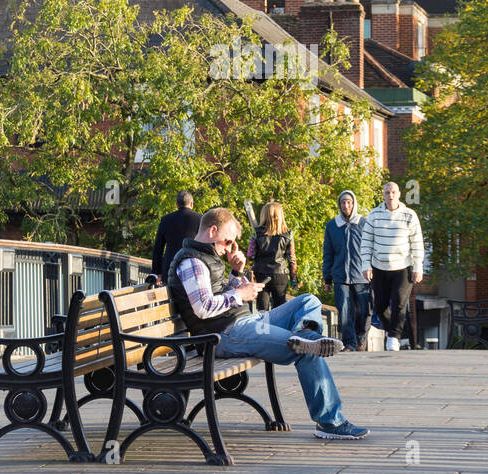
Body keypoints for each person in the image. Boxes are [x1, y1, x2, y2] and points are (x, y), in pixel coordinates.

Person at [167, 206, 368, 440]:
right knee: (305, 350)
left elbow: (217, 292)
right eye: (228, 242)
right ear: (212, 231)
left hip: (246, 322)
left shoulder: (207, 257)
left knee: (309, 301)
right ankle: (330, 422)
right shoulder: (193, 262)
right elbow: (203, 309)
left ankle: (307, 334)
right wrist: (240, 294)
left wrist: (236, 273)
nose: (230, 248)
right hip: (225, 334)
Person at [359, 182, 425, 352]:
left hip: (403, 266)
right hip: (379, 267)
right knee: (379, 307)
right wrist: (366, 265)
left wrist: (418, 267)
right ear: (383, 195)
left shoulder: (409, 215)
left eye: (393, 192)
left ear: (399, 194)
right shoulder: (374, 215)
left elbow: (417, 243)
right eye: (387, 192)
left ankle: (394, 338)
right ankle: (392, 331)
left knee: (399, 302)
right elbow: (366, 243)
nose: (390, 195)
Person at [321, 190, 371, 351]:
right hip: (340, 276)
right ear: (339, 205)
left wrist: (372, 270)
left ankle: (361, 337)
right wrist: (327, 278)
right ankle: (350, 343)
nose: (346, 205)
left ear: (354, 204)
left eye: (349, 202)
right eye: (343, 202)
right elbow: (328, 252)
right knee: (344, 311)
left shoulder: (363, 223)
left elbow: (371, 249)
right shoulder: (332, 225)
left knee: (364, 311)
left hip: (361, 276)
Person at [247, 201, 298, 311]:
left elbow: (250, 255)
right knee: (279, 311)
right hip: (280, 275)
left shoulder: (257, 233)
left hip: (261, 274)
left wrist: (254, 239)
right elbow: (292, 259)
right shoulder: (288, 234)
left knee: (262, 310)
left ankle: (263, 328)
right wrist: (294, 281)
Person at [152, 190, 201, 283]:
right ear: (192, 203)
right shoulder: (200, 219)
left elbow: (158, 248)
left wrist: (157, 272)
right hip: (193, 270)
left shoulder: (166, 219)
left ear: (176, 204)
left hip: (170, 269)